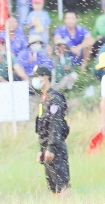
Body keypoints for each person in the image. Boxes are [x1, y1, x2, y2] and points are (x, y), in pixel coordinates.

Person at [30, 65, 69, 194]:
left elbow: (56, 125)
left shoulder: (54, 99)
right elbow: (43, 127)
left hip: (55, 148)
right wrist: (42, 150)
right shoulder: (44, 99)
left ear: (45, 78)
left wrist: (51, 148)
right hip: (47, 147)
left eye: (37, 77)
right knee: (53, 186)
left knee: (62, 185)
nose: (34, 80)